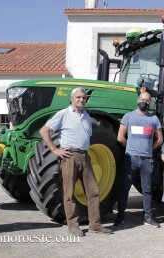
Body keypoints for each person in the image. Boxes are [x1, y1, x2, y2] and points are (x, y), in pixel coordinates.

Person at [39, 87, 112, 237]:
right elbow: (44, 131)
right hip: (69, 156)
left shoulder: (86, 116)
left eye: (84, 98)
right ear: (72, 99)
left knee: (94, 192)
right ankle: (73, 226)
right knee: (69, 193)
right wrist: (54, 149)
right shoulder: (63, 114)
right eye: (78, 97)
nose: (81, 100)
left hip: (85, 156)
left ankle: (95, 225)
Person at [115, 91, 163, 228]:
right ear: (138, 100)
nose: (145, 102)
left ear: (150, 102)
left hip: (147, 160)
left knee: (147, 190)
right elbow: (120, 137)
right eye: (142, 99)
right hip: (131, 159)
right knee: (125, 189)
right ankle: (120, 216)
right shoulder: (128, 116)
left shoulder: (154, 119)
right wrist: (130, 148)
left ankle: (147, 217)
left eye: (147, 100)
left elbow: (159, 140)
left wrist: (149, 149)